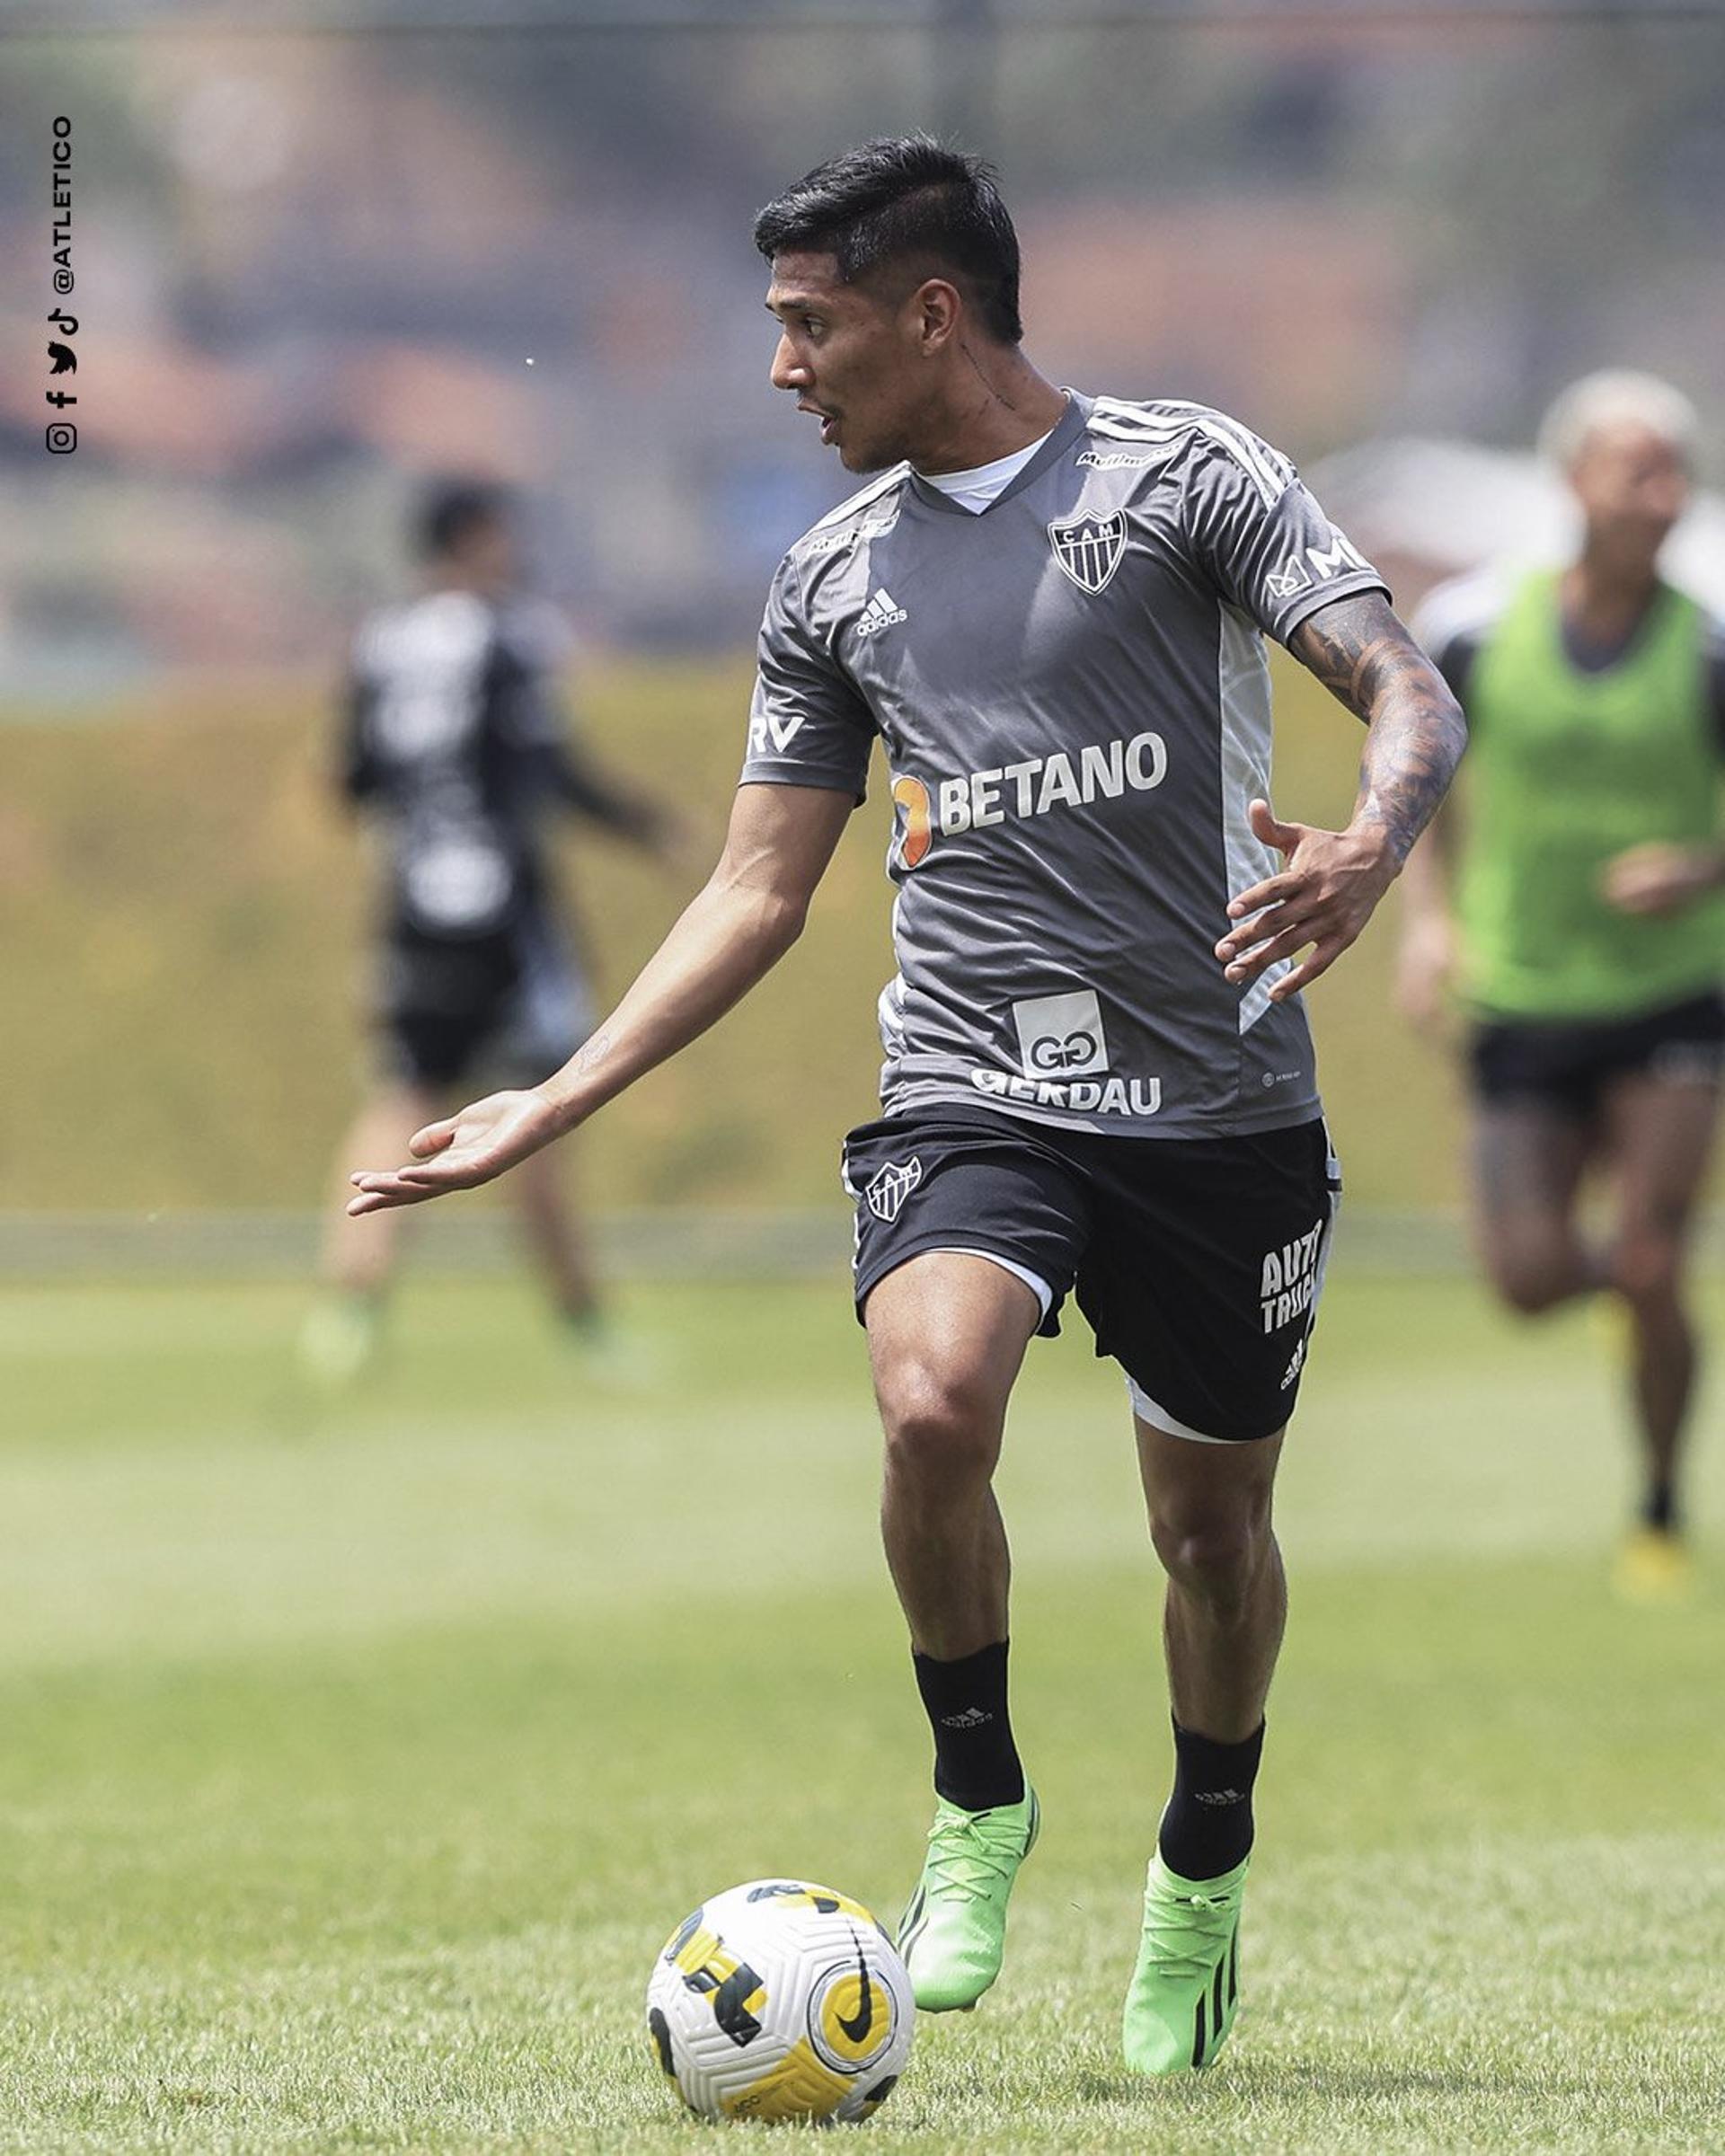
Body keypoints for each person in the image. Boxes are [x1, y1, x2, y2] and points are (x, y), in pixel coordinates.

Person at [349, 140, 1464, 2072]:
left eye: (810, 324)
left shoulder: (1183, 476)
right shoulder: (830, 576)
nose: (782, 367)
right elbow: (756, 889)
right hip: (971, 1086)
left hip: (1216, 1100)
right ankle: (978, 1797)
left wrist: (1373, 845)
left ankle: (1203, 1860)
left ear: (929, 312)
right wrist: (556, 1095)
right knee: (933, 1402)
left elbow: (1407, 687)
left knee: (1211, 1537)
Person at [1400, 372, 1725, 1601]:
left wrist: (1703, 870)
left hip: (1675, 994)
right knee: (1528, 1277)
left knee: (1654, 1257)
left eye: (1677, 470)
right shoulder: (1475, 631)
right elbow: (1419, 786)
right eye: (1639, 467)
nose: (1665, 492)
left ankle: (1657, 1501)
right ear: (1571, 478)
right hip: (1525, 992)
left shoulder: (1707, 644)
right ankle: (1613, 1282)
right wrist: (1430, 927)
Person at [300, 479, 685, 1387]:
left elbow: (351, 782)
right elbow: (549, 767)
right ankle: (587, 1327)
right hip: (508, 916)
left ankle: (347, 1314)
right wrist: (651, 828)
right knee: (542, 1108)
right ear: (473, 539)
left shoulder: (381, 640)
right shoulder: (510, 634)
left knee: (399, 1099)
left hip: (414, 910)